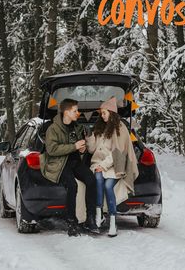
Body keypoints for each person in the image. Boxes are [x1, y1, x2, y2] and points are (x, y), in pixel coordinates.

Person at [40, 98, 99, 236]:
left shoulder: (76, 126)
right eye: (75, 111)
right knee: (72, 186)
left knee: (91, 179)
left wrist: (82, 150)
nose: (78, 113)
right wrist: (74, 146)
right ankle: (71, 221)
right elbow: (52, 150)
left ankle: (90, 218)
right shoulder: (53, 129)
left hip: (75, 162)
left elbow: (79, 147)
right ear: (66, 112)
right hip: (59, 163)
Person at [85, 97, 139, 237]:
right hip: (98, 164)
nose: (101, 115)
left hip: (116, 165)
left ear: (112, 112)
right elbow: (92, 150)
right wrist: (90, 136)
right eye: (101, 113)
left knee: (108, 186)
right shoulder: (100, 128)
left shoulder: (120, 129)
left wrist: (103, 166)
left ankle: (113, 221)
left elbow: (118, 153)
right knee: (97, 179)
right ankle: (99, 214)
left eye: (104, 113)